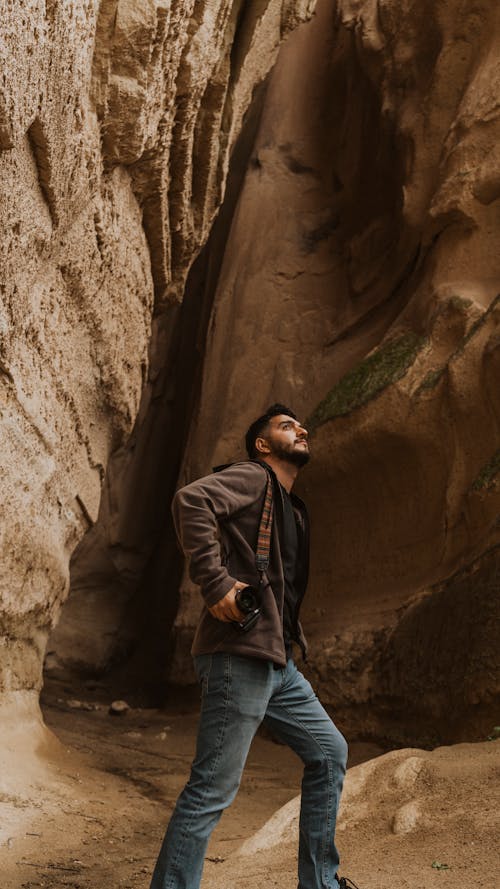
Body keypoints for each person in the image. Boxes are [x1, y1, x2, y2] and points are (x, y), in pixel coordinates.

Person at [150, 404, 351, 889]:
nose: (300, 429)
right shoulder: (252, 476)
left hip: (275, 661)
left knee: (329, 752)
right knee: (212, 788)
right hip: (238, 655)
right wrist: (216, 583)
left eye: (301, 426)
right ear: (262, 445)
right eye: (286, 426)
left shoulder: (288, 505)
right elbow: (190, 501)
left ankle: (320, 882)